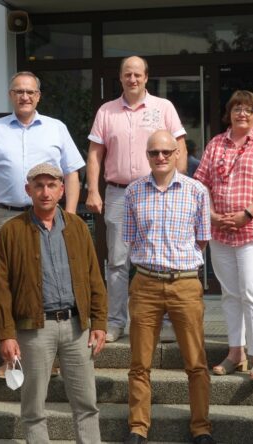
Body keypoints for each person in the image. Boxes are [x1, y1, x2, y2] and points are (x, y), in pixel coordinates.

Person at [0, 71, 85, 377]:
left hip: (50, 216)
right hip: (8, 216)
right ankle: (12, 357)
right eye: (19, 91)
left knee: (51, 283)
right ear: (10, 95)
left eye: (30, 92)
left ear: (38, 96)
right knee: (10, 286)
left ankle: (53, 356)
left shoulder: (56, 128)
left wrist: (69, 216)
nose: (25, 96)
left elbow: (72, 173)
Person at [0, 162, 107, 444]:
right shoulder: (11, 231)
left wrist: (99, 322)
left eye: (52, 185)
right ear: (28, 190)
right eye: (39, 186)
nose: (45, 192)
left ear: (62, 190)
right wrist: (6, 334)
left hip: (76, 326)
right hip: (34, 328)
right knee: (33, 407)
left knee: (87, 404)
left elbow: (94, 276)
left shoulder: (77, 226)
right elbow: (1, 287)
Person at [86, 55, 187, 344]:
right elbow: (95, 154)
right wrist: (93, 190)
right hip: (118, 192)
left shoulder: (163, 107)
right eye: (127, 74)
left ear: (146, 77)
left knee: (160, 256)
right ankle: (116, 322)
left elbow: (178, 146)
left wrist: (176, 185)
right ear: (120, 78)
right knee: (117, 261)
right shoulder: (107, 111)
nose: (132, 79)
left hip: (155, 190)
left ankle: (163, 321)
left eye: (137, 74)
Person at [122, 130, 214, 444]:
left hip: (185, 283)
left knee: (196, 363)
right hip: (145, 283)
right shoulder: (133, 192)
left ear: (177, 153)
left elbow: (201, 240)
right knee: (139, 363)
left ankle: (201, 428)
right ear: (146, 156)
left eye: (166, 152)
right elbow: (131, 238)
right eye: (153, 153)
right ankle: (138, 427)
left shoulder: (197, 191)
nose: (160, 157)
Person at [193, 90, 253, 382]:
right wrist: (210, 215)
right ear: (229, 113)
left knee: (250, 289)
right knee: (230, 293)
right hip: (220, 228)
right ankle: (236, 352)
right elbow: (201, 184)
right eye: (237, 109)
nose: (242, 114)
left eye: (248, 110)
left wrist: (247, 214)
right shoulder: (215, 143)